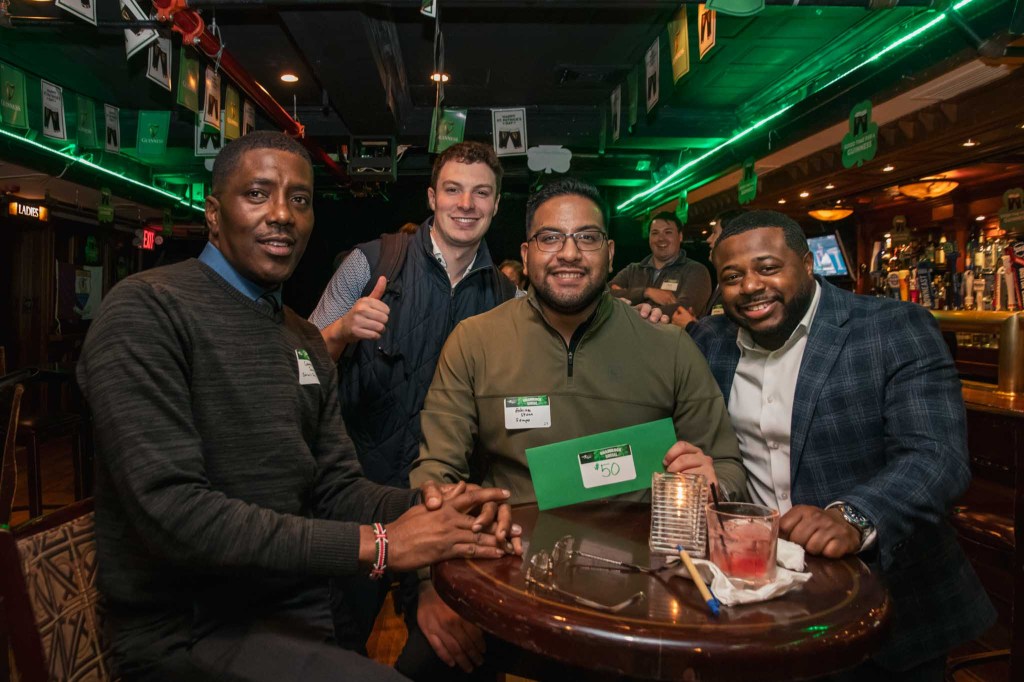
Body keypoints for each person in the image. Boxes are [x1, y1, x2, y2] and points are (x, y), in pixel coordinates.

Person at [76, 131, 520, 682]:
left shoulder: (301, 337)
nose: (282, 215)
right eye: (257, 194)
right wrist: (380, 545)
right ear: (214, 213)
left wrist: (438, 506)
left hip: (295, 613)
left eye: (300, 199)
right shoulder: (147, 310)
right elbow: (173, 514)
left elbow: (336, 487)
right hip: (194, 630)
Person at [408, 177, 746, 677]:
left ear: (609, 254)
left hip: (640, 589)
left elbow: (729, 471)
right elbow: (437, 470)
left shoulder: (670, 347)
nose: (568, 253)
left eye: (586, 237)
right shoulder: (475, 341)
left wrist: (712, 484)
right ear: (527, 255)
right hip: (506, 573)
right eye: (550, 238)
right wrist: (430, 584)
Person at [684, 210, 995, 680]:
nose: (750, 286)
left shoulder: (892, 328)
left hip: (887, 608)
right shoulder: (709, 340)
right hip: (753, 604)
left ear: (808, 264)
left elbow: (936, 456)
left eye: (768, 268)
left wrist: (854, 516)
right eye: (732, 276)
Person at [309, 141, 516, 488]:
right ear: (433, 198)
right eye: (453, 189)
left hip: (449, 496)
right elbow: (301, 366)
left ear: (495, 204)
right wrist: (341, 331)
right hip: (358, 490)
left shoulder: (508, 299)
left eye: (481, 192)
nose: (466, 204)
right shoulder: (370, 263)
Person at [610, 211, 712, 317]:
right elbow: (605, 295)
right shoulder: (633, 270)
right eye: (655, 233)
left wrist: (630, 303)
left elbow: (683, 310)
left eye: (668, 232)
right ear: (649, 238)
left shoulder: (696, 271)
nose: (661, 238)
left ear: (680, 236)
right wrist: (646, 292)